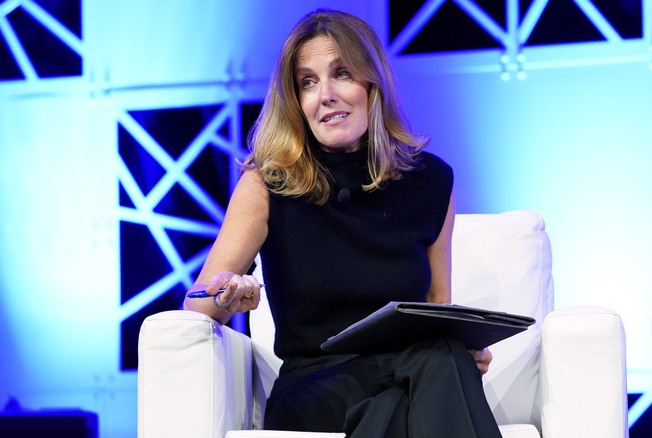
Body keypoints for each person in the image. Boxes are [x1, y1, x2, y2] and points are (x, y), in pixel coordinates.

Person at [183, 9, 501, 438]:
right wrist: (226, 293)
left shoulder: (432, 181)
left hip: (405, 378)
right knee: (438, 362)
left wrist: (465, 353)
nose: (325, 95)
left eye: (342, 74)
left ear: (373, 84)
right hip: (316, 388)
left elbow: (435, 308)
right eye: (307, 82)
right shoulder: (268, 183)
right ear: (296, 102)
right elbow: (196, 305)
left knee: (436, 360)